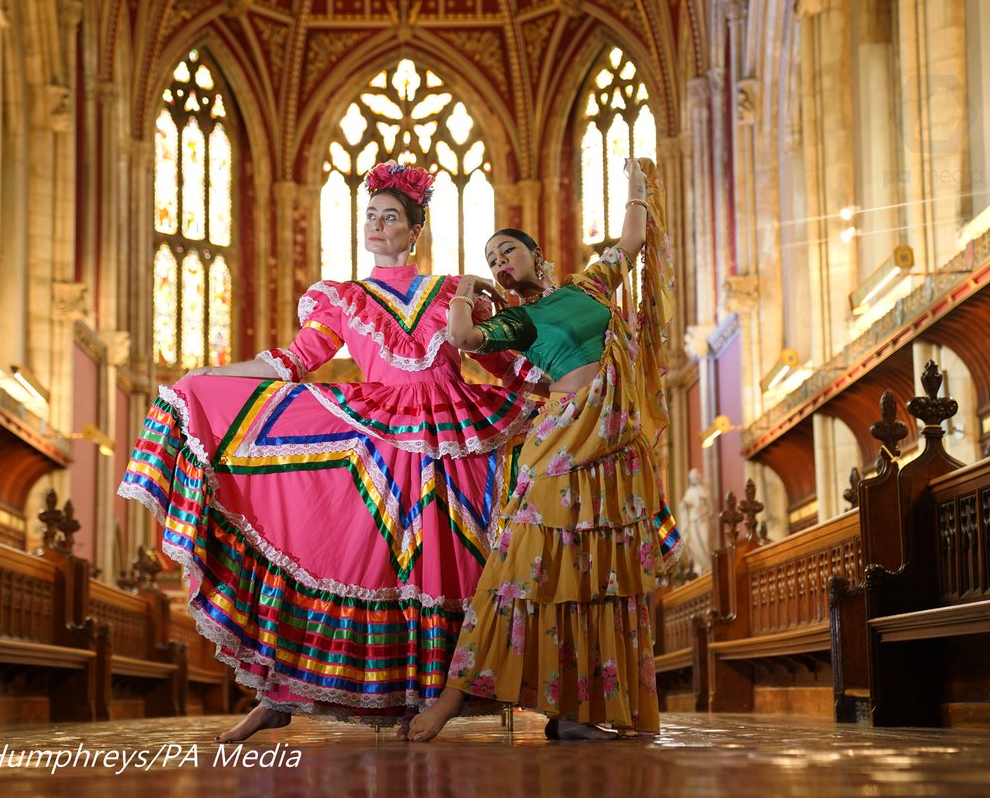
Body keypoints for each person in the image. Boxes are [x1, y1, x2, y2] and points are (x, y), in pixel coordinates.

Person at [119, 160, 541, 741]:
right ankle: (280, 691)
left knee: (450, 563)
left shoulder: (453, 293)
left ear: (413, 230)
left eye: (389, 217)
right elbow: (291, 363)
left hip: (451, 439)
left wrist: (569, 381)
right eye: (369, 215)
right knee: (349, 558)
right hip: (374, 439)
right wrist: (209, 375)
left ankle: (438, 695)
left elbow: (504, 362)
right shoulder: (343, 298)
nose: (375, 225)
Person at [408, 158, 682, 742]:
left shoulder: (589, 285)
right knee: (519, 566)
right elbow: (462, 337)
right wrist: (462, 289)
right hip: (561, 444)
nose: (501, 263)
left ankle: (579, 709)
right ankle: (451, 701)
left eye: (507, 251)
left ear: (536, 254)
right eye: (492, 261)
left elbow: (632, 241)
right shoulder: (521, 321)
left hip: (616, 455)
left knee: (600, 576)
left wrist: (636, 190)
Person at [680, 468, 714, 575]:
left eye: (695, 477)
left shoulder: (705, 489)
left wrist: (709, 510)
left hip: (703, 518)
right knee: (695, 543)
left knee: (705, 541)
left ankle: (707, 564)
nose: (694, 480)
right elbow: (684, 504)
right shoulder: (689, 491)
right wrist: (684, 505)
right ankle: (699, 565)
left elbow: (710, 505)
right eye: (692, 478)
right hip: (694, 520)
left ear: (699, 477)